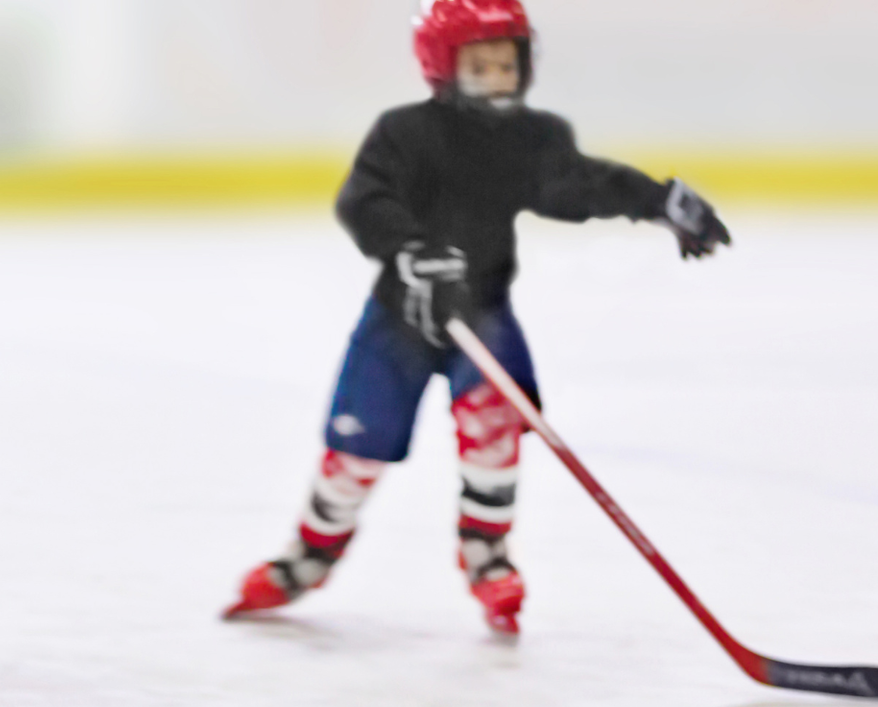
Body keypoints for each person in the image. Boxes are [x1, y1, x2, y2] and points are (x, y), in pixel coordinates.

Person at [222, 0, 731, 635]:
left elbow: (578, 184)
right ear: (442, 66)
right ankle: (310, 555)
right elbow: (364, 197)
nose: (497, 77)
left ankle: (486, 553)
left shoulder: (531, 139)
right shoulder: (403, 133)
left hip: (481, 312)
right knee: (356, 451)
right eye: (480, 64)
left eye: (506, 63)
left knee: (493, 431)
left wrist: (660, 202)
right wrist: (409, 249)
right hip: (398, 321)